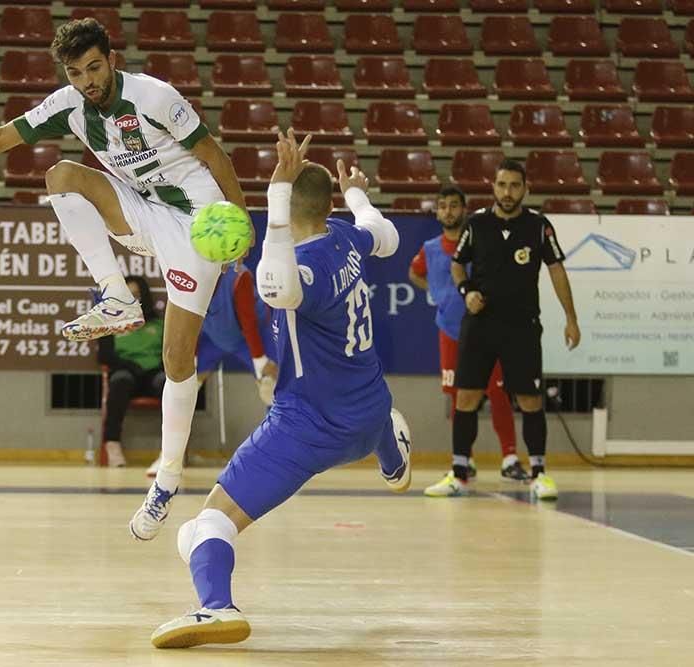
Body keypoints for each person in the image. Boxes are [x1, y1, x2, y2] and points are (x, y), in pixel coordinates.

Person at [0, 19, 248, 540]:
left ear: (111, 59)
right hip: (142, 210)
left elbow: (213, 154)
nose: (88, 80)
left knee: (177, 358)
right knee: (61, 176)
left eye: (94, 67)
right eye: (77, 72)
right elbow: (2, 139)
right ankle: (117, 298)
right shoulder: (69, 104)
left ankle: (167, 478)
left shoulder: (155, 97)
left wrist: (240, 221)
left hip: (197, 223)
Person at [150, 130, 412, 649]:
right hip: (368, 410)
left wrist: (275, 194)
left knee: (204, 529)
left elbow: (279, 287)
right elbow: (385, 234)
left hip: (307, 426)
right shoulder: (346, 236)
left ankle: (216, 608)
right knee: (373, 406)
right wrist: (357, 192)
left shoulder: (306, 266)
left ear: (291, 210)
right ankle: (393, 459)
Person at [424, 159, 580, 500]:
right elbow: (456, 267)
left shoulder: (539, 226)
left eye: (514, 185)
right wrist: (468, 293)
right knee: (465, 397)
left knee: (529, 399)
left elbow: (556, 270)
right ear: (493, 187)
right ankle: (460, 472)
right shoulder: (476, 224)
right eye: (501, 185)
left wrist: (571, 318)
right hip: (480, 326)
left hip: (522, 328)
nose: (507, 192)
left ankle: (539, 472)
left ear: (525, 188)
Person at [409, 186, 529, 483]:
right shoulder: (430, 248)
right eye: (443, 206)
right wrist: (436, 293)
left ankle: (510, 457)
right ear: (437, 211)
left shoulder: (479, 242)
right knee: (458, 398)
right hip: (450, 332)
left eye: (453, 206)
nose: (448, 211)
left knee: (499, 392)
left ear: (464, 209)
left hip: (486, 329)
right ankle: (465, 460)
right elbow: (414, 273)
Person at [145, 266, 278, 477]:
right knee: (182, 387)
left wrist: (261, 363)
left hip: (250, 336)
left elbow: (249, 322)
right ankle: (169, 458)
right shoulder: (188, 274)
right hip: (211, 338)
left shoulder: (239, 276)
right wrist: (192, 360)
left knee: (273, 389)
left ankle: (277, 457)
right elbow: (190, 325)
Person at [97, 276, 165, 468]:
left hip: (153, 374)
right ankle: (112, 445)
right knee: (120, 381)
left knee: (167, 385)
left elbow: (169, 354)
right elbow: (104, 356)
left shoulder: (158, 323)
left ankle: (169, 450)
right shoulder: (109, 323)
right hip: (126, 373)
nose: (132, 299)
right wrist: (129, 366)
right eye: (128, 295)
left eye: (136, 295)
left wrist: (156, 367)